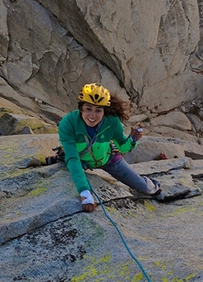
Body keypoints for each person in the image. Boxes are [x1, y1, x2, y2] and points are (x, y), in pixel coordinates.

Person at [57, 83, 161, 212]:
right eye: (88, 108)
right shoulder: (68, 123)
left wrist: (132, 139)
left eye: (98, 110)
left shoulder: (111, 121)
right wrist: (85, 193)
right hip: (82, 160)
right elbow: (73, 159)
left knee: (143, 187)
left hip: (107, 158)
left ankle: (155, 187)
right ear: (81, 108)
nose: (92, 115)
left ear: (104, 111)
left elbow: (122, 148)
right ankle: (60, 156)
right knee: (70, 162)